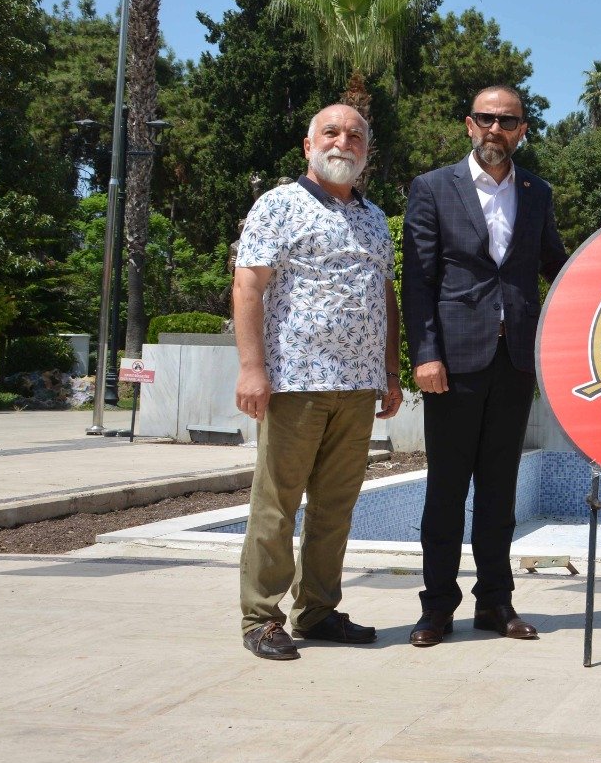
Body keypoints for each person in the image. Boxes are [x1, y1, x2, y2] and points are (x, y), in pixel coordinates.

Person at [233, 103, 402, 661]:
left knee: (335, 506)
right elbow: (249, 288)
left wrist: (390, 372)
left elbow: (386, 295)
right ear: (308, 145)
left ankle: (318, 609)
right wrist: (253, 369)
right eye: (330, 132)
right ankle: (261, 617)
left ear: (366, 152)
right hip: (295, 381)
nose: (343, 141)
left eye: (355, 135)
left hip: (357, 386)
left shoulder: (375, 217)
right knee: (276, 505)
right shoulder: (277, 206)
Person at [400, 86, 567, 648]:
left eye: (508, 120)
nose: (495, 128)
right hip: (452, 361)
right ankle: (437, 609)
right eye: (486, 118)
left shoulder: (536, 192)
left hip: (514, 360)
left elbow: (556, 266)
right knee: (446, 490)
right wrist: (424, 353)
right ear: (469, 125)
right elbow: (417, 282)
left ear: (523, 129)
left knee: (499, 492)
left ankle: (496, 603)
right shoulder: (431, 188)